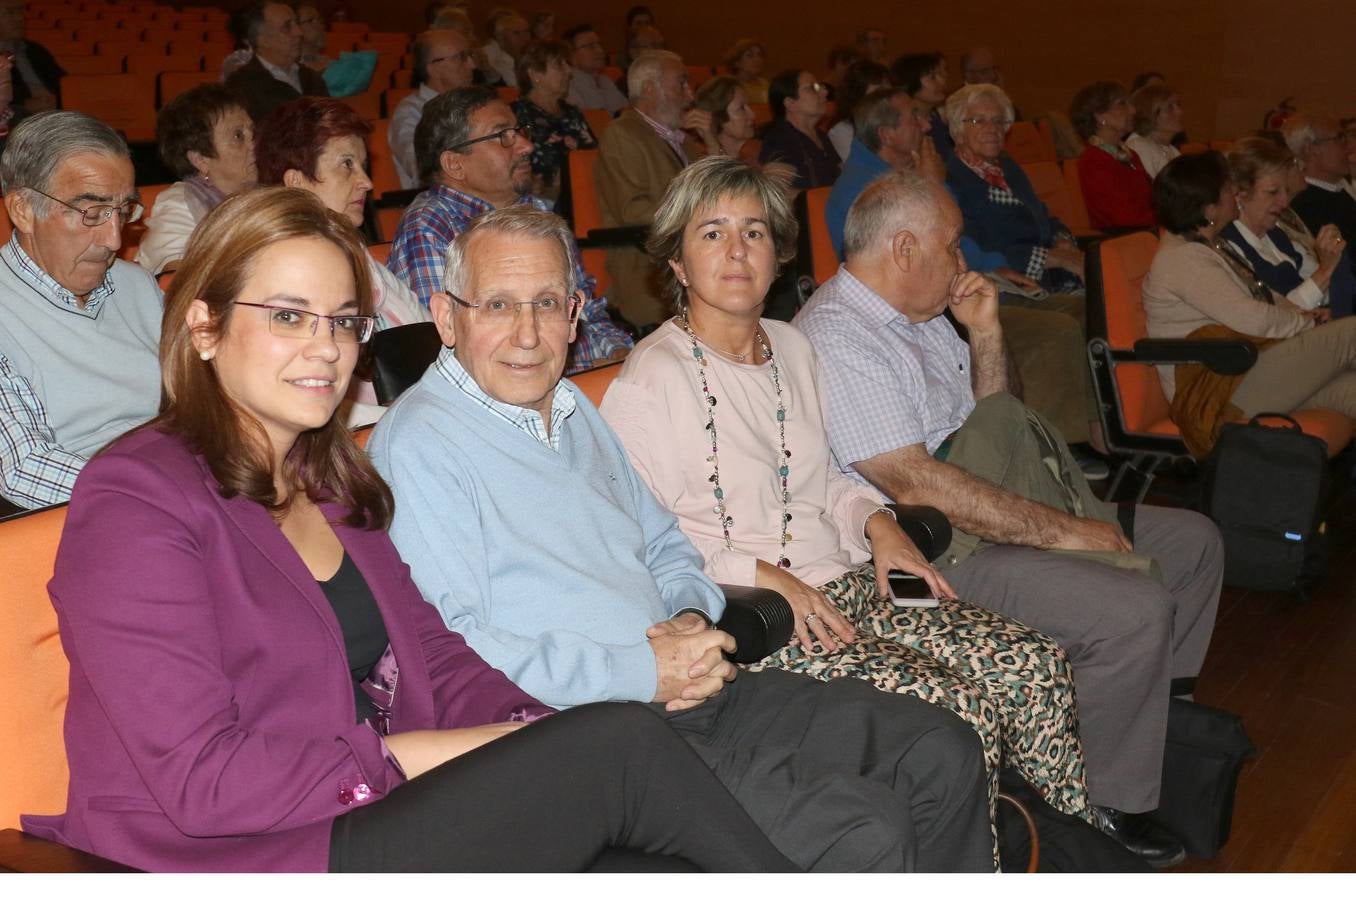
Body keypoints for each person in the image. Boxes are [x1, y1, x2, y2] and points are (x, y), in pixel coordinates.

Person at [20, 186, 798, 874]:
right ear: (205, 326)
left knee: (653, 859)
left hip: (375, 816)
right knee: (622, 748)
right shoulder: (135, 498)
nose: (325, 347)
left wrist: (531, 727)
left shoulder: (327, 480)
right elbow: (203, 783)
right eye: (288, 316)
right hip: (241, 854)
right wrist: (449, 754)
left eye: (343, 321)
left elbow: (435, 656)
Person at [369, 203, 994, 872]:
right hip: (581, 733)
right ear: (445, 316)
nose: (528, 333)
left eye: (547, 304)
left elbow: (668, 547)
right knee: (863, 831)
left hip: (696, 688)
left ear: (576, 315)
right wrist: (646, 670)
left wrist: (691, 622)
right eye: (498, 305)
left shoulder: (572, 408)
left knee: (941, 748)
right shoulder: (418, 446)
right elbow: (460, 652)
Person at [599, 157, 1092, 836]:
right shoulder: (650, 381)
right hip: (773, 619)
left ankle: (1070, 847)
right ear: (678, 264)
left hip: (850, 584)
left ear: (778, 255)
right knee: (962, 706)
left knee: (1036, 665)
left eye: (754, 232)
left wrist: (880, 524)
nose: (738, 251)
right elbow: (640, 543)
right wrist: (760, 572)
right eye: (712, 234)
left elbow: (825, 479)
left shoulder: (793, 348)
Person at [796, 171, 1224, 867]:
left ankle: (1150, 728)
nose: (962, 260)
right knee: (1134, 609)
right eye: (953, 245)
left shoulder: (924, 316)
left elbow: (1001, 416)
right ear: (904, 249)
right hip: (935, 549)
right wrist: (1067, 532)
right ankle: (1101, 805)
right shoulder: (839, 336)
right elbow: (919, 485)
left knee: (1193, 545)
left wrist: (987, 330)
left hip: (991, 501)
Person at [826, 90, 1104, 474]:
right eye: (914, 118)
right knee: (1057, 329)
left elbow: (969, 236)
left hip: (971, 282)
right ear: (888, 133)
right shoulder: (871, 189)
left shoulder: (953, 173)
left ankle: (1071, 434)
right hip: (940, 291)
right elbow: (907, 260)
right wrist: (987, 260)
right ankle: (1067, 440)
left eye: (999, 121)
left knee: (1093, 309)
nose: (926, 125)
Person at [389, 87, 632, 373]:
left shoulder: (538, 211)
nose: (527, 146)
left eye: (519, 132)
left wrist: (618, 353)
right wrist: (582, 376)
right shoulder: (430, 227)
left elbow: (586, 310)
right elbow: (456, 357)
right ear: (455, 163)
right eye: (503, 136)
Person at [1142, 151, 1356, 452]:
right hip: (1216, 391)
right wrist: (1308, 321)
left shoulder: (1207, 247)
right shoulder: (1183, 259)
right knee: (1351, 333)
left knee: (1351, 390)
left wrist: (1305, 315)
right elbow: (1255, 319)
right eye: (1228, 190)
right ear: (1209, 208)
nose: (1236, 195)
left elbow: (1265, 305)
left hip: (1240, 373)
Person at [0, 111, 160, 509]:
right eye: (91, 212)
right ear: (23, 210)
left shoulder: (138, 285)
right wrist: (165, 496)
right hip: (88, 517)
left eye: (123, 211)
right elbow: (24, 469)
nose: (113, 238)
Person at [254, 97, 429, 425]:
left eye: (363, 165)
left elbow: (428, 338)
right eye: (347, 164)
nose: (367, 182)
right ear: (297, 183)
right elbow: (301, 395)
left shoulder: (361, 257)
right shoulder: (275, 276)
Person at [595, 50, 708, 327]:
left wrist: (711, 137)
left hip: (695, 253)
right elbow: (632, 211)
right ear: (649, 88)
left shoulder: (687, 141)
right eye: (681, 83)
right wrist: (699, 214)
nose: (690, 94)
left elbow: (721, 189)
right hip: (648, 265)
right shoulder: (622, 134)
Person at [944, 84, 1086, 296]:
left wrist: (1062, 240)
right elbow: (975, 250)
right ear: (957, 130)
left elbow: (1042, 216)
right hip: (1008, 287)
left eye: (998, 121)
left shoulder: (1007, 169)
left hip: (1053, 276)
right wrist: (1051, 258)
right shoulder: (952, 179)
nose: (992, 128)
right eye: (978, 121)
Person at [137, 84, 257, 276]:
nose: (254, 144)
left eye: (253, 132)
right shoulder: (179, 206)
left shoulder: (270, 192)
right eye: (238, 136)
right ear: (200, 159)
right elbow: (176, 279)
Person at [1221, 136, 1349, 314]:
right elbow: (1273, 316)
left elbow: (1324, 294)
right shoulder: (1228, 246)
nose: (1284, 202)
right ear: (1239, 194)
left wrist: (1332, 259)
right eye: (1273, 192)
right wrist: (1326, 271)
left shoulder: (1275, 234)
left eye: (1285, 191)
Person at [510, 40, 597, 201]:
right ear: (535, 74)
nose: (569, 72)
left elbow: (594, 156)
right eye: (559, 65)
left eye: (567, 64)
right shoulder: (516, 116)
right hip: (542, 202)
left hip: (586, 195)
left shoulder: (573, 113)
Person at [391, 29, 477, 189]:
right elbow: (423, 170)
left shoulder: (477, 105)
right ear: (433, 68)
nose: (472, 65)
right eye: (461, 58)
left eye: (470, 56)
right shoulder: (411, 112)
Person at [224, 1, 330, 123]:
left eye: (296, 23)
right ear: (263, 40)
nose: (299, 32)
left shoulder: (312, 78)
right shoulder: (241, 85)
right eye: (287, 27)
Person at [1070, 80, 1154, 230]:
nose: (1133, 110)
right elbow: (1123, 217)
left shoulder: (1130, 154)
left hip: (1147, 233)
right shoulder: (1093, 160)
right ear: (1100, 117)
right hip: (1125, 240)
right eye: (1122, 104)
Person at [758, 69, 839, 191]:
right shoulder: (779, 140)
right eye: (812, 88)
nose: (825, 92)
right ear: (790, 103)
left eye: (820, 87)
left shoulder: (822, 136)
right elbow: (778, 195)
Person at [1286, 113, 1356, 244]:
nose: (1348, 147)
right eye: (1339, 138)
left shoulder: (1337, 188)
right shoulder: (1305, 205)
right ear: (1311, 149)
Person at [0, 0, 62, 128]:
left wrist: (58, 100)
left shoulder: (35, 50)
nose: (20, 18)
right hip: (17, 124)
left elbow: (64, 83)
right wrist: (24, 106)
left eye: (21, 11)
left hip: (54, 118)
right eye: (10, 12)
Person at [826, 59, 890, 162]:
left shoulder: (895, 122)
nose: (887, 98)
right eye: (879, 92)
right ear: (858, 96)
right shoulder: (842, 132)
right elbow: (861, 168)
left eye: (888, 91)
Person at [891, 52, 952, 160]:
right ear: (911, 82)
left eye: (941, 75)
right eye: (932, 77)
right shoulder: (905, 127)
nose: (942, 81)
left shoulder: (936, 118)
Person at [564, 24, 627, 115]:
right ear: (571, 55)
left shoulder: (606, 81)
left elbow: (628, 112)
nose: (600, 50)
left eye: (599, 44)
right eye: (590, 46)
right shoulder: (567, 86)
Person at [693, 76, 757, 162]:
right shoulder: (702, 164)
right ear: (719, 117)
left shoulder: (757, 155)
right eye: (741, 108)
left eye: (749, 106)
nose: (753, 115)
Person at [1124, 84, 1182, 179]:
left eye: (1178, 105)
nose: (1180, 112)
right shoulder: (1138, 147)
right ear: (1150, 114)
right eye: (1170, 107)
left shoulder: (1172, 151)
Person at [480, 8, 530, 87]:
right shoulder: (494, 63)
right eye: (516, 33)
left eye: (527, 31)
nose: (524, 37)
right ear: (500, 38)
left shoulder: (533, 58)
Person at [725, 38, 769, 105]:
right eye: (750, 55)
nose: (757, 59)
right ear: (736, 62)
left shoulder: (766, 84)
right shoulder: (732, 87)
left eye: (759, 55)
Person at [294, 3, 333, 72]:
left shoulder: (330, 63)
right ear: (295, 27)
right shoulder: (291, 67)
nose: (320, 26)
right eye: (311, 20)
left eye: (320, 20)